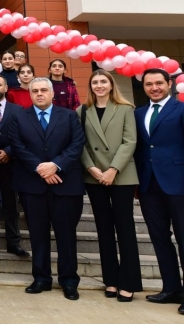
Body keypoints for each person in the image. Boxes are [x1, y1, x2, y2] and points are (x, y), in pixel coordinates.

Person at [7, 77, 86, 300]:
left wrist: (55, 165)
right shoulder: (19, 116)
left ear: (52, 94)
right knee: (38, 234)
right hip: (32, 185)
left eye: (43, 90)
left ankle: (69, 280)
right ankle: (41, 278)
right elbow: (17, 146)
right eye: (35, 91)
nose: (39, 94)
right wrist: (40, 168)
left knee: (66, 235)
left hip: (65, 184)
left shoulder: (69, 116)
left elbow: (77, 144)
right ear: (30, 94)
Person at [77, 70, 141, 302]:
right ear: (90, 86)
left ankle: (129, 282)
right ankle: (111, 281)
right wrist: (92, 168)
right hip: (94, 176)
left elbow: (130, 141)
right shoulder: (82, 111)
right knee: (104, 229)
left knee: (125, 228)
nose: (99, 85)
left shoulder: (125, 109)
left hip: (121, 175)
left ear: (111, 84)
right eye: (95, 82)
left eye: (104, 81)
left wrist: (113, 169)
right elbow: (80, 143)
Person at [133, 69, 184, 315]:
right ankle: (171, 288)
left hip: (178, 183)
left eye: (159, 83)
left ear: (169, 84)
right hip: (148, 185)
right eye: (149, 84)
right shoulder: (138, 113)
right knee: (159, 238)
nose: (154, 88)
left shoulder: (181, 109)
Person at [0, 75, 29, 257]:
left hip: (11, 163)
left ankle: (13, 242)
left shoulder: (18, 110)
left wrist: (9, 152)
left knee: (11, 204)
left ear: (6, 88)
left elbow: (24, 136)